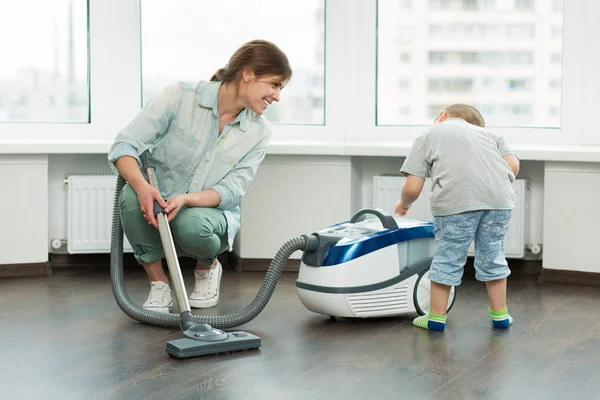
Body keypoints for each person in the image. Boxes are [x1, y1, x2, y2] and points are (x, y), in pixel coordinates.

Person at [108, 40, 292, 313]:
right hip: (161, 199)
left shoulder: (259, 132)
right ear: (248, 74)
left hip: (207, 212)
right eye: (275, 84)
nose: (277, 96)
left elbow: (232, 190)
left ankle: (207, 268)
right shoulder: (180, 97)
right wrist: (142, 187)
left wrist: (187, 199)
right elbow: (124, 145)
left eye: (281, 88)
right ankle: (159, 284)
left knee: (192, 224)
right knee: (130, 195)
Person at [394, 104, 520, 331]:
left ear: (442, 115)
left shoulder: (429, 134)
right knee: (493, 254)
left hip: (456, 203)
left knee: (448, 256)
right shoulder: (491, 135)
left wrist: (404, 205)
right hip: (500, 201)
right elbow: (513, 166)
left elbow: (413, 188)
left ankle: (435, 318)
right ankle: (500, 315)